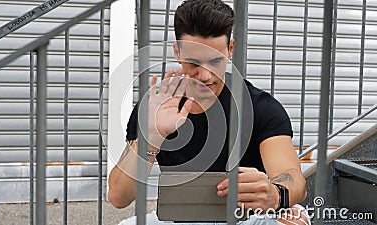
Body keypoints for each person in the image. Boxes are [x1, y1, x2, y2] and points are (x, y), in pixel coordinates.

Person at [108, 0, 310, 224]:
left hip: (249, 218)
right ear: (177, 52)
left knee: (296, 218)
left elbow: (295, 181)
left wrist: (275, 194)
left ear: (230, 50)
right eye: (193, 62)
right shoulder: (157, 106)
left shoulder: (260, 106)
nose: (204, 75)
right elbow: (118, 197)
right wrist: (151, 138)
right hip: (183, 220)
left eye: (215, 61)